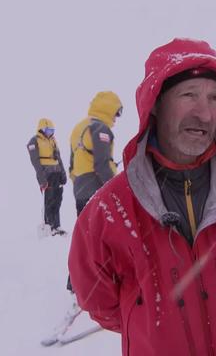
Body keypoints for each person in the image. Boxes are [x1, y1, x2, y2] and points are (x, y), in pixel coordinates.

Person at [68, 38, 216, 355]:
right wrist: (153, 324)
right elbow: (97, 299)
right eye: (189, 95)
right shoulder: (110, 208)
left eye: (214, 98)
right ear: (156, 102)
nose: (205, 114)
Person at [66, 90, 122, 294]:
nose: (116, 118)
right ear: (109, 108)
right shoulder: (100, 128)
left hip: (81, 185)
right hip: (94, 186)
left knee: (85, 234)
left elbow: (74, 161)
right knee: (99, 235)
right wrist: (116, 190)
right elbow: (101, 164)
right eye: (116, 112)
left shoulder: (80, 126)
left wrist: (77, 181)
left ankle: (75, 281)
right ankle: (89, 282)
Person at [27, 118, 67, 236]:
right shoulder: (34, 141)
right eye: (48, 130)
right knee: (49, 200)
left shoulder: (53, 140)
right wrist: (41, 179)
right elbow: (35, 162)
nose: (50, 133)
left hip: (57, 173)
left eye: (52, 130)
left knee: (58, 199)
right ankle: (49, 226)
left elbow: (58, 157)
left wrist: (63, 173)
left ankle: (57, 225)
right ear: (41, 129)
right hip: (46, 174)